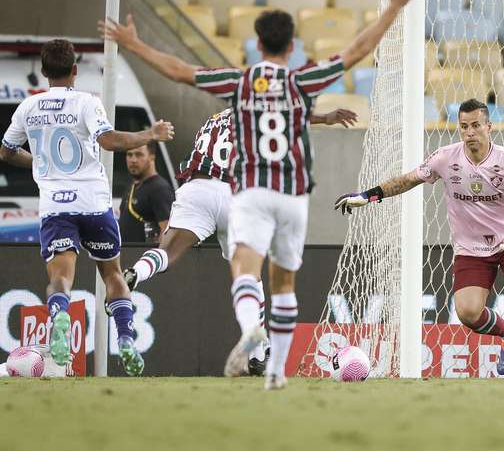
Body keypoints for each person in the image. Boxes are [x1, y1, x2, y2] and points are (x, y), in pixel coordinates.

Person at [99, 0, 422, 389]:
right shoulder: (299, 83)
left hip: (227, 191)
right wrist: (394, 7)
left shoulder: (238, 86)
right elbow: (355, 52)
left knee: (227, 270)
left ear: (257, 43)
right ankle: (268, 363)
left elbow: (180, 71)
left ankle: (229, 321)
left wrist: (134, 44)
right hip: (285, 192)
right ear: (292, 47)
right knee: (278, 281)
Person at [335, 98, 504, 381]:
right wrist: (368, 195)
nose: (470, 132)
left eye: (475, 125)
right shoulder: (445, 158)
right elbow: (407, 180)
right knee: (468, 313)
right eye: (464, 126)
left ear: (489, 127)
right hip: (471, 248)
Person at [123, 105, 358, 377]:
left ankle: (137, 273)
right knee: (249, 274)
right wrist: (325, 118)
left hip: (196, 189)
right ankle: (258, 354)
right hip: (233, 196)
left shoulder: (213, 120)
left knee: (167, 251)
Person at [0, 39, 174, 375]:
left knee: (60, 279)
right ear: (75, 71)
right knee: (112, 274)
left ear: (43, 71)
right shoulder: (86, 102)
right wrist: (148, 134)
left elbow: (6, 151)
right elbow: (109, 140)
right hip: (94, 203)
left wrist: (37, 161)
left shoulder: (28, 108)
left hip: (55, 206)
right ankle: (125, 338)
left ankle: (59, 315)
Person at [119, 141, 174, 243]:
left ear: (152, 157)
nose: (133, 160)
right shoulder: (132, 186)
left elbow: (167, 230)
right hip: (126, 254)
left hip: (144, 255)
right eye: (129, 155)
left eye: (139, 154)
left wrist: (155, 256)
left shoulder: (159, 189)